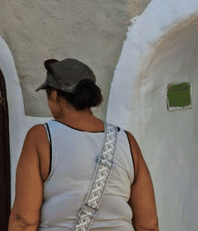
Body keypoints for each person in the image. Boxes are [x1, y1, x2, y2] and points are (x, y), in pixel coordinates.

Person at [8, 58, 159, 231]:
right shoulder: (127, 141)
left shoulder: (41, 137)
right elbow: (148, 225)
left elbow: (24, 221)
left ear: (54, 95)